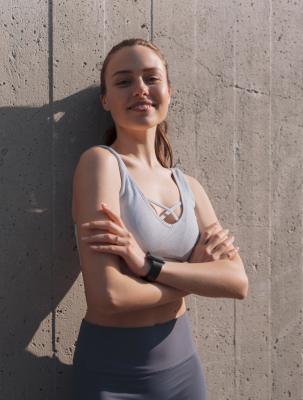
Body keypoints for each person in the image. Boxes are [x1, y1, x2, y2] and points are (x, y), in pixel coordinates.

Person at [71, 38, 248, 399]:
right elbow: (109, 296)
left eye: (151, 78)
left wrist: (146, 265)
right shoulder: (101, 165)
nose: (140, 89)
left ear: (168, 91)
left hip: (183, 367)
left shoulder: (190, 187)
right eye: (123, 81)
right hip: (113, 371)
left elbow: (237, 282)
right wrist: (196, 277)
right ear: (105, 100)